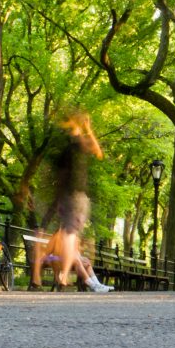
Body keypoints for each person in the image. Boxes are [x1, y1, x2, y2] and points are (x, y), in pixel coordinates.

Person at [32, 110, 113, 293]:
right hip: (74, 197)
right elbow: (97, 152)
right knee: (70, 235)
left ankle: (80, 280)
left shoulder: (71, 148)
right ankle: (65, 277)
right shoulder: (72, 147)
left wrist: (59, 198)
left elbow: (95, 153)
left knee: (72, 235)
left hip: (73, 197)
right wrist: (88, 128)